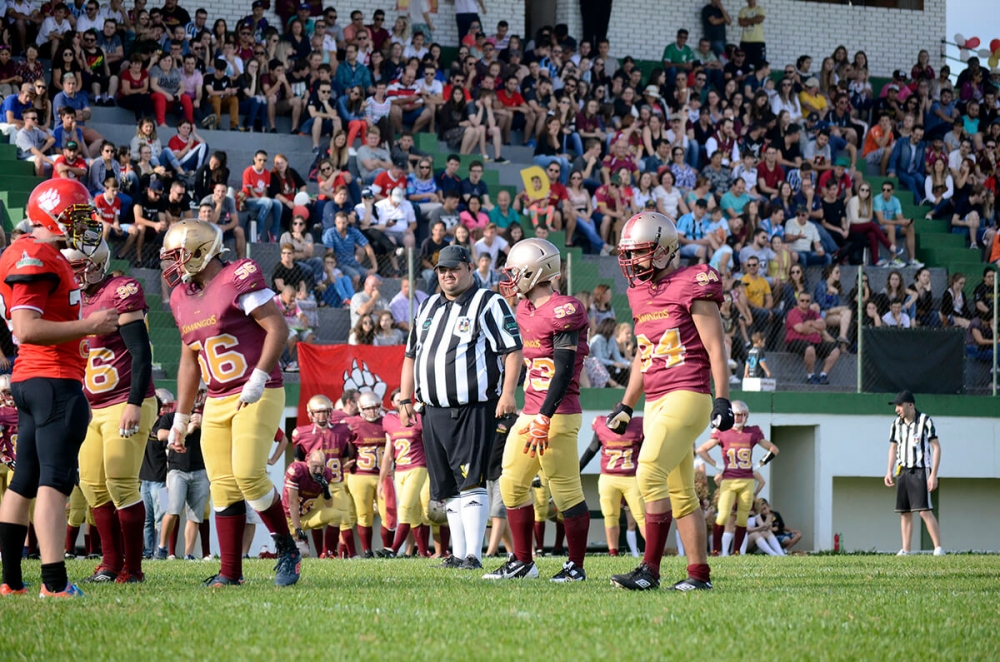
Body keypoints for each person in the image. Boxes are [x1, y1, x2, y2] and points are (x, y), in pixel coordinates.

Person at [161, 219, 301, 588]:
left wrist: (258, 377)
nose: (174, 264)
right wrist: (181, 415)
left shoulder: (239, 274)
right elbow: (190, 358)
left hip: (258, 388)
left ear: (202, 251)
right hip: (217, 397)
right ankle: (230, 571)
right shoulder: (181, 296)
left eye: (179, 255)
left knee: (249, 474)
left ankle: (287, 547)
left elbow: (278, 328)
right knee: (222, 485)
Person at [0, 178, 119, 598]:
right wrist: (89, 325)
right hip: (52, 380)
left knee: (25, 479)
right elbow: (26, 328)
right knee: (54, 480)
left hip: (31, 380)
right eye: (77, 213)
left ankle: (11, 580)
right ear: (52, 214)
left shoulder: (34, 253)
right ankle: (54, 583)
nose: (85, 223)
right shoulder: (37, 255)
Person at [608, 211, 734, 592]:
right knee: (681, 493)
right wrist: (627, 404)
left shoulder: (692, 282)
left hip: (687, 393)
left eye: (640, 252)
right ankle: (699, 576)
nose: (632, 261)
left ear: (663, 251)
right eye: (628, 254)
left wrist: (724, 398)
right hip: (656, 399)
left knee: (647, 471)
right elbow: (644, 356)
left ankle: (650, 570)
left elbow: (716, 346)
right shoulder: (639, 292)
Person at [398, 245, 522, 569]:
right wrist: (404, 396)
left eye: (454, 269)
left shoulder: (488, 302)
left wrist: (508, 393)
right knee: (448, 488)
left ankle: (474, 555)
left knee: (472, 481)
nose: (447, 275)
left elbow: (513, 350)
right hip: (432, 409)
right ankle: (457, 553)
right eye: (441, 270)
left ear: (469, 268)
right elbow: (411, 354)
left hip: (473, 407)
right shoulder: (426, 307)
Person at [485, 239, 590, 582]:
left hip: (557, 412)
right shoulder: (525, 309)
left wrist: (545, 416)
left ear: (535, 271)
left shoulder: (565, 308)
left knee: (565, 490)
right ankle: (522, 561)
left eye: (516, 272)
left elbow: (562, 370)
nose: (511, 279)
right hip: (531, 409)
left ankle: (576, 566)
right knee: (512, 483)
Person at [59, 239, 156, 583]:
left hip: (126, 400)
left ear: (98, 261)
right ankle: (110, 563)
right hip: (91, 405)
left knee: (121, 483)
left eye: (79, 265)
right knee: (92, 485)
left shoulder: (121, 290)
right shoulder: (73, 300)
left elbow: (141, 354)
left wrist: (133, 403)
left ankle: (134, 568)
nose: (74, 273)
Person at [696, 401, 778, 556]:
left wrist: (759, 464)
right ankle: (715, 550)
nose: (738, 418)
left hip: (747, 480)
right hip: (729, 479)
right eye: (735, 414)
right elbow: (701, 450)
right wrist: (717, 465)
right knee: (723, 515)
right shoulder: (723, 432)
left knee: (742, 518)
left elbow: (774, 449)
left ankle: (736, 551)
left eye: (740, 415)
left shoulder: (752, 432)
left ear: (746, 415)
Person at [289, 395, 355, 558]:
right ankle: (321, 554)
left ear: (331, 412)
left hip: (335, 483)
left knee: (344, 518)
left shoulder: (342, 431)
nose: (322, 416)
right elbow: (298, 463)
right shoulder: (301, 434)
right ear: (310, 414)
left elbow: (345, 459)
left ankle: (345, 554)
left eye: (325, 412)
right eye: (318, 412)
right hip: (314, 485)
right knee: (316, 521)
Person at [153, 380, 209, 561]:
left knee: (195, 515)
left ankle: (188, 554)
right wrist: (188, 429)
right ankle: (161, 548)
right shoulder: (172, 416)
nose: (197, 398)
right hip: (175, 470)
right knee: (171, 510)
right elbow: (161, 434)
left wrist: (204, 425)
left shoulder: (204, 417)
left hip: (200, 469)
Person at [884, 390, 944, 556]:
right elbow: (893, 447)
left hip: (920, 469)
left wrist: (933, 474)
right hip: (902, 470)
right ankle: (906, 549)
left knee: (924, 510)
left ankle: (938, 548)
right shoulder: (896, 424)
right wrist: (889, 470)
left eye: (900, 405)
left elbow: (936, 447)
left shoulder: (925, 421)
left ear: (910, 404)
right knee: (905, 511)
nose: (897, 409)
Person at [579, 415, 645, 558]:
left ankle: (653, 551)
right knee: (610, 516)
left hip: (631, 477)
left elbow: (647, 451)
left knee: (642, 516)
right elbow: (593, 447)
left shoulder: (639, 426)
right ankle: (613, 552)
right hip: (609, 477)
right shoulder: (602, 425)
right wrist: (578, 469)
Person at [379, 391, 431, 558]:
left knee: (405, 508)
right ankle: (423, 552)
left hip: (418, 467)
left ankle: (392, 550)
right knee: (413, 513)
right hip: (400, 470)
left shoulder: (418, 419)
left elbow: (428, 445)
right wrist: (381, 479)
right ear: (393, 404)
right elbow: (388, 454)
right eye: (399, 400)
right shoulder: (390, 421)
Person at [344, 391, 390, 558]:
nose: (372, 412)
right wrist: (344, 461)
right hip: (360, 475)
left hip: (382, 476)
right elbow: (342, 444)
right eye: (368, 408)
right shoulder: (352, 423)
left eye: (375, 408)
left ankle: (387, 550)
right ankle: (367, 551)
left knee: (388, 515)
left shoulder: (387, 422)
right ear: (361, 408)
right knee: (364, 515)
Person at [282, 450, 343, 557]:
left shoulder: (326, 474)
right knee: (300, 553)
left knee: (336, 515)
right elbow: (292, 503)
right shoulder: (297, 471)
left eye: (322, 467)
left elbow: (329, 504)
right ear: (308, 463)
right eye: (315, 467)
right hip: (289, 518)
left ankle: (328, 554)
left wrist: (325, 488)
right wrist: (298, 529)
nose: (319, 471)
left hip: (307, 515)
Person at [785, 290, 842, 385]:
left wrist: (810, 323)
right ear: (798, 301)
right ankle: (810, 376)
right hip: (796, 341)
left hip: (815, 342)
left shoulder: (813, 313)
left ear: (810, 302)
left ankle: (823, 374)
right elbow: (801, 329)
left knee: (835, 350)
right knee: (810, 349)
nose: (804, 303)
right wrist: (815, 328)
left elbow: (823, 325)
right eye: (802, 300)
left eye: (807, 301)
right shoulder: (793, 313)